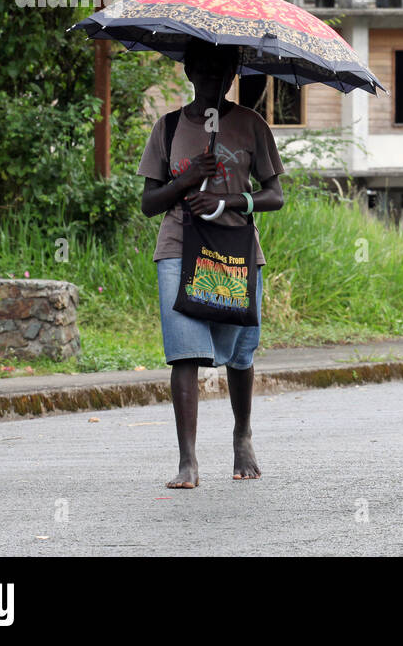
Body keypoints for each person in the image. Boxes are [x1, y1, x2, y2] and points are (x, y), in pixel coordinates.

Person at [137, 40, 285, 488]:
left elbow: (274, 195)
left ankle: (242, 434)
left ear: (232, 75)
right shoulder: (167, 129)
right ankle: (188, 460)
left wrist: (226, 199)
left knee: (240, 353)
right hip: (179, 245)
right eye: (204, 71)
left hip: (235, 248)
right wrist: (186, 178)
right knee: (185, 353)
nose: (213, 80)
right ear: (188, 72)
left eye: (223, 72)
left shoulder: (251, 125)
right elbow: (148, 203)